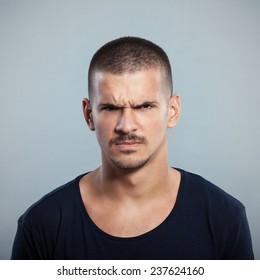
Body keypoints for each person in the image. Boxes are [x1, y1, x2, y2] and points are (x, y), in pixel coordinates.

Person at [11, 36, 254, 260]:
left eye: (145, 106)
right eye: (110, 108)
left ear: (173, 111)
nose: (126, 126)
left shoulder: (224, 217)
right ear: (89, 115)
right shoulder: (42, 224)